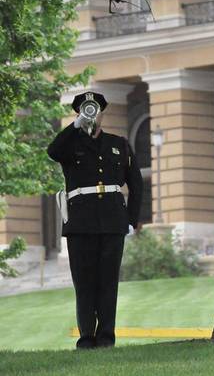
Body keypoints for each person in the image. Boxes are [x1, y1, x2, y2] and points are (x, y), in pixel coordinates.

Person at [47, 91, 143, 349]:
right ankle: (87, 338)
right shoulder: (70, 145)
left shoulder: (119, 143)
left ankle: (106, 338)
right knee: (85, 283)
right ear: (79, 113)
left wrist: (131, 220)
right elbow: (53, 151)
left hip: (112, 221)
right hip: (81, 223)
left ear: (102, 113)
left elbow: (136, 184)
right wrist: (75, 126)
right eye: (86, 109)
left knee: (108, 282)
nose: (92, 113)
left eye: (95, 108)